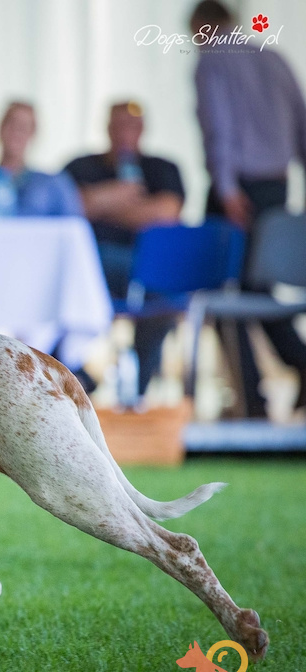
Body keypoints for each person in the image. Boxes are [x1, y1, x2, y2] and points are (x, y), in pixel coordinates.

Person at [190, 0, 306, 418]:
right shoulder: (274, 59)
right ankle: (294, 369)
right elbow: (302, 124)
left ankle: (252, 400)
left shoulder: (212, 61)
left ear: (202, 26)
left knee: (221, 295)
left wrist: (226, 188)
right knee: (259, 292)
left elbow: (218, 127)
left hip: (235, 190)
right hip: (276, 188)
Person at [65, 101, 185, 395]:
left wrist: (104, 204)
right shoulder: (81, 166)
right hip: (91, 269)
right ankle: (77, 373)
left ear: (143, 129)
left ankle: (139, 390)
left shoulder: (162, 168)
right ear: (106, 127)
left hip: (148, 268)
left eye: (132, 125)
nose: (124, 132)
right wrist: (123, 202)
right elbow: (69, 206)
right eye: (118, 124)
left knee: (167, 284)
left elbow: (166, 212)